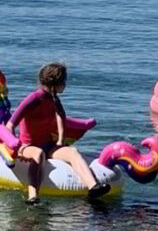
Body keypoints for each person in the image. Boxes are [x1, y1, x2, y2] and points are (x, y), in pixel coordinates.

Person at [7, 62, 110, 204]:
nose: (65, 84)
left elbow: (61, 117)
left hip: (48, 145)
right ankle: (33, 196)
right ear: (55, 82)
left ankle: (93, 187)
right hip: (28, 145)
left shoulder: (54, 99)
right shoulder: (34, 98)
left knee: (73, 152)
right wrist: (14, 147)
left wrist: (60, 140)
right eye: (64, 81)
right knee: (38, 154)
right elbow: (10, 124)